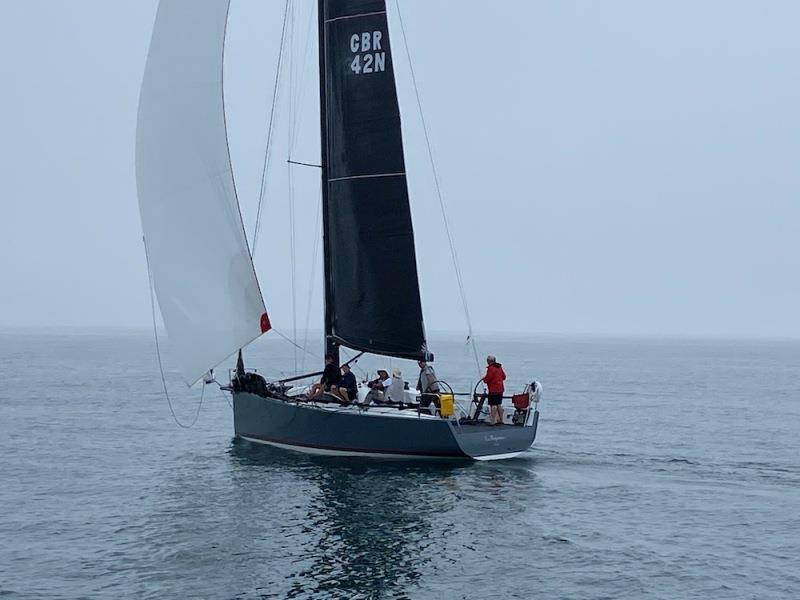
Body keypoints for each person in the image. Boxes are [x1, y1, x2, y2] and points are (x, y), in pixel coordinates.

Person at [482, 354, 506, 425]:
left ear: (489, 361)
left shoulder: (491, 368)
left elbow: (488, 378)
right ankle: (501, 420)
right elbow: (504, 377)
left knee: (493, 405)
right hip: (500, 389)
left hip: (493, 390)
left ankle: (493, 421)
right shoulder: (499, 367)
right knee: (499, 404)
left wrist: (484, 379)